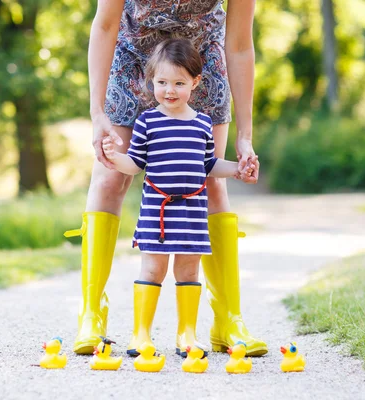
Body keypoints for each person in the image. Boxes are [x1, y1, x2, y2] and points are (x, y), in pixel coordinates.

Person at [66, 0, 268, 357]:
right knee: (110, 177)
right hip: (133, 60)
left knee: (209, 180)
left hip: (198, 65)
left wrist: (245, 135)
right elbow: (104, 25)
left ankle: (228, 321)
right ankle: (91, 315)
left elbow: (238, 44)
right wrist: (97, 112)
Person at [101, 38, 257, 357]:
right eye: (161, 82)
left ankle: (186, 334)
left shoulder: (202, 125)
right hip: (156, 213)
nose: (169, 90)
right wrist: (114, 158)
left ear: (195, 83)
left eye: (178, 83)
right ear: (151, 81)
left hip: (192, 213)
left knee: (188, 272)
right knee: (152, 270)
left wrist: (238, 169)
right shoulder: (147, 122)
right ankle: (141, 335)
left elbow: (209, 165)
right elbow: (135, 163)